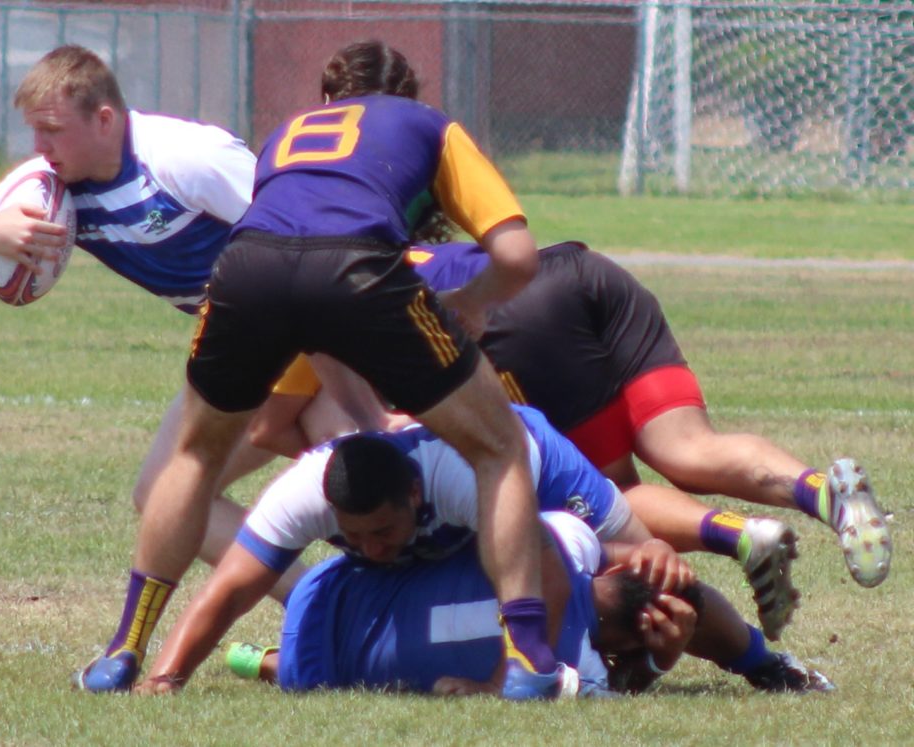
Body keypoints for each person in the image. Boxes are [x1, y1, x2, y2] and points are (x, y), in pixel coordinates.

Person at [74, 40, 557, 698]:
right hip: (356, 262)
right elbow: (519, 256)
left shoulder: (286, 135)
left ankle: (123, 651)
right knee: (499, 445)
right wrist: (469, 304)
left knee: (191, 456)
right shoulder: (429, 125)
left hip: (246, 268)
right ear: (407, 97)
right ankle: (528, 659)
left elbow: (301, 276)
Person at [248, 239, 894, 640]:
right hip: (581, 272)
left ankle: (738, 535)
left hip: (510, 326)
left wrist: (352, 448)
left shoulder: (320, 299)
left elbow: (268, 425)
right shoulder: (382, 243)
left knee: (604, 492)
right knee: (689, 447)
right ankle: (822, 491)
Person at [0, 44, 307, 675]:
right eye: (35, 132)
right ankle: (316, 596)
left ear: (105, 120)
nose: (41, 147)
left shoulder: (184, 157)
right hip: (228, 351)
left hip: (299, 338)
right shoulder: (51, 186)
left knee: (189, 489)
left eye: (53, 130)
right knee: (162, 495)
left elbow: (306, 232)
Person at [132, 422, 684, 694]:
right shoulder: (303, 496)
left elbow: (540, 566)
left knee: (663, 587)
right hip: (393, 575)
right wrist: (165, 678)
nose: (371, 547)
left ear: (415, 498)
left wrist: (501, 681)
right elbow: (229, 588)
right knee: (366, 639)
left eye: (383, 530)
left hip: (532, 458)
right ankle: (271, 660)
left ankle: (755, 658)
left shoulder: (464, 479)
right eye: (356, 535)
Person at [149, 512, 834, 697]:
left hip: (338, 588)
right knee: (291, 641)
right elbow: (603, 686)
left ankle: (244, 645)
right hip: (320, 665)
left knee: (286, 579)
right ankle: (254, 660)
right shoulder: (574, 671)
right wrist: (655, 666)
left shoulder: (562, 538)